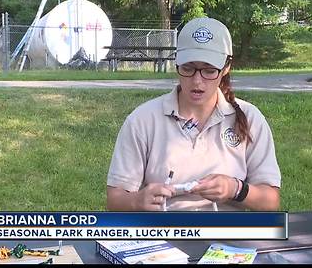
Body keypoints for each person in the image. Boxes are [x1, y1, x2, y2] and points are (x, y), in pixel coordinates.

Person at [106, 17, 281, 211]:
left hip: (226, 235)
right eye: (188, 68)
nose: (197, 81)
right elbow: (115, 200)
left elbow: (270, 201)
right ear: (176, 64)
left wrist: (235, 188)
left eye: (208, 70)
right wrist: (137, 201)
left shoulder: (250, 118)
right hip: (163, 233)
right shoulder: (143, 120)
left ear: (226, 67)